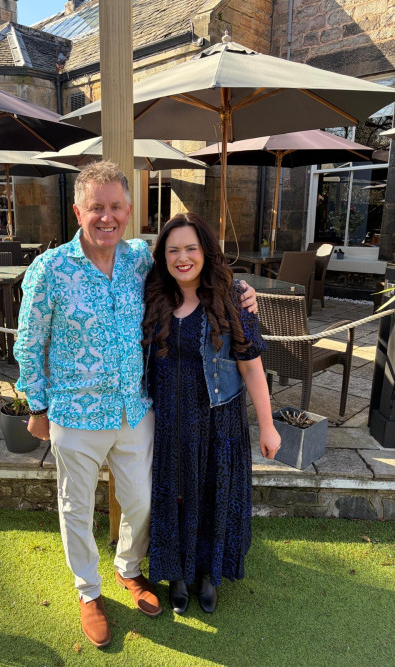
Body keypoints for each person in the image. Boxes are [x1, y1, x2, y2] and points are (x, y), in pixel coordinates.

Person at [13, 162, 258, 648]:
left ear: (129, 211)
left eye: (116, 207)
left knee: (143, 502)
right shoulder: (50, 269)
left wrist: (241, 290)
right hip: (76, 414)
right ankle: (88, 591)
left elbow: (191, 276)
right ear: (78, 211)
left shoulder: (140, 260)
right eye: (96, 208)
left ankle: (128, 568)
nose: (107, 217)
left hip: (136, 410)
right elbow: (28, 341)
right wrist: (37, 408)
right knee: (76, 508)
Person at [142, 212, 281, 615]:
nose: (182, 258)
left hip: (219, 419)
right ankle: (177, 574)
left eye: (191, 248)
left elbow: (251, 366)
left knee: (212, 497)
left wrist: (268, 427)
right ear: (163, 257)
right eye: (173, 250)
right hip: (168, 421)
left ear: (205, 251)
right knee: (173, 495)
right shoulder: (152, 294)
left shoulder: (232, 297)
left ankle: (207, 574)